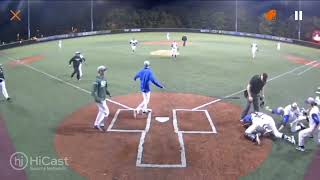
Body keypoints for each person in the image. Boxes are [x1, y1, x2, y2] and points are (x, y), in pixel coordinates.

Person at [91, 65, 111, 131]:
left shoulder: (104, 79)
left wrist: (108, 93)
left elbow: (105, 88)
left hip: (103, 98)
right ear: (100, 71)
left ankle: (96, 124)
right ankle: (100, 124)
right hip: (99, 99)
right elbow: (93, 92)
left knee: (101, 111)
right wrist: (98, 99)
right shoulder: (97, 80)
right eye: (104, 70)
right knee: (106, 112)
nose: (105, 71)